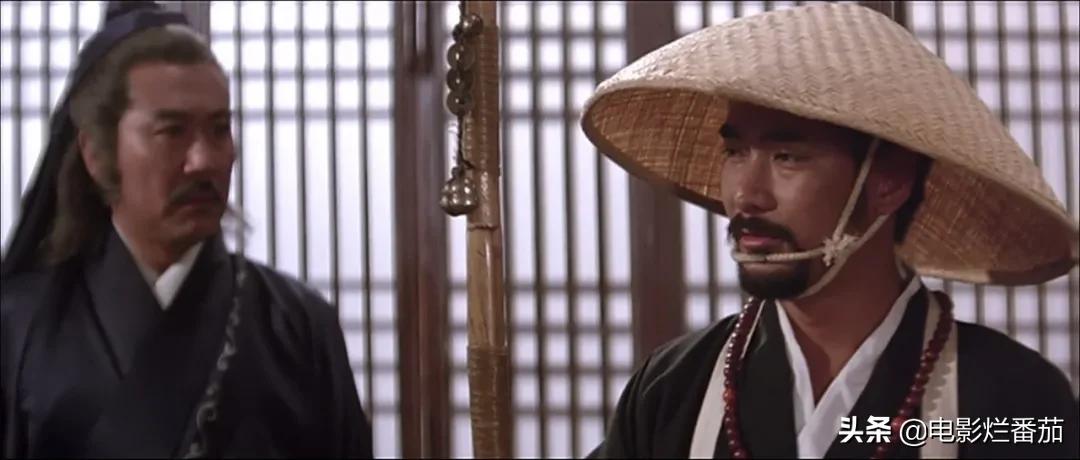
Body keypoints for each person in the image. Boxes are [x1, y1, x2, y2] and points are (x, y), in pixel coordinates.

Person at [581, 3, 1078, 458]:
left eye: (787, 157)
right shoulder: (673, 390)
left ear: (888, 182)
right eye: (735, 152)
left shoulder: (1014, 402)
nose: (747, 195)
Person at [0, 2, 372, 457]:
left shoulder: (297, 325)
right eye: (172, 131)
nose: (204, 161)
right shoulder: (19, 327)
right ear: (96, 153)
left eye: (219, 129)